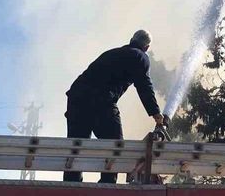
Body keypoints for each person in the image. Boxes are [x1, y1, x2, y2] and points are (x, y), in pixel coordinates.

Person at [63, 29, 164, 183]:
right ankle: (107, 185)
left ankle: (71, 187)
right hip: (101, 101)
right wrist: (156, 113)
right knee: (116, 146)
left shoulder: (112, 53)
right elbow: (144, 85)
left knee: (76, 146)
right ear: (147, 47)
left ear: (131, 39)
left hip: (76, 99)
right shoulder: (140, 56)